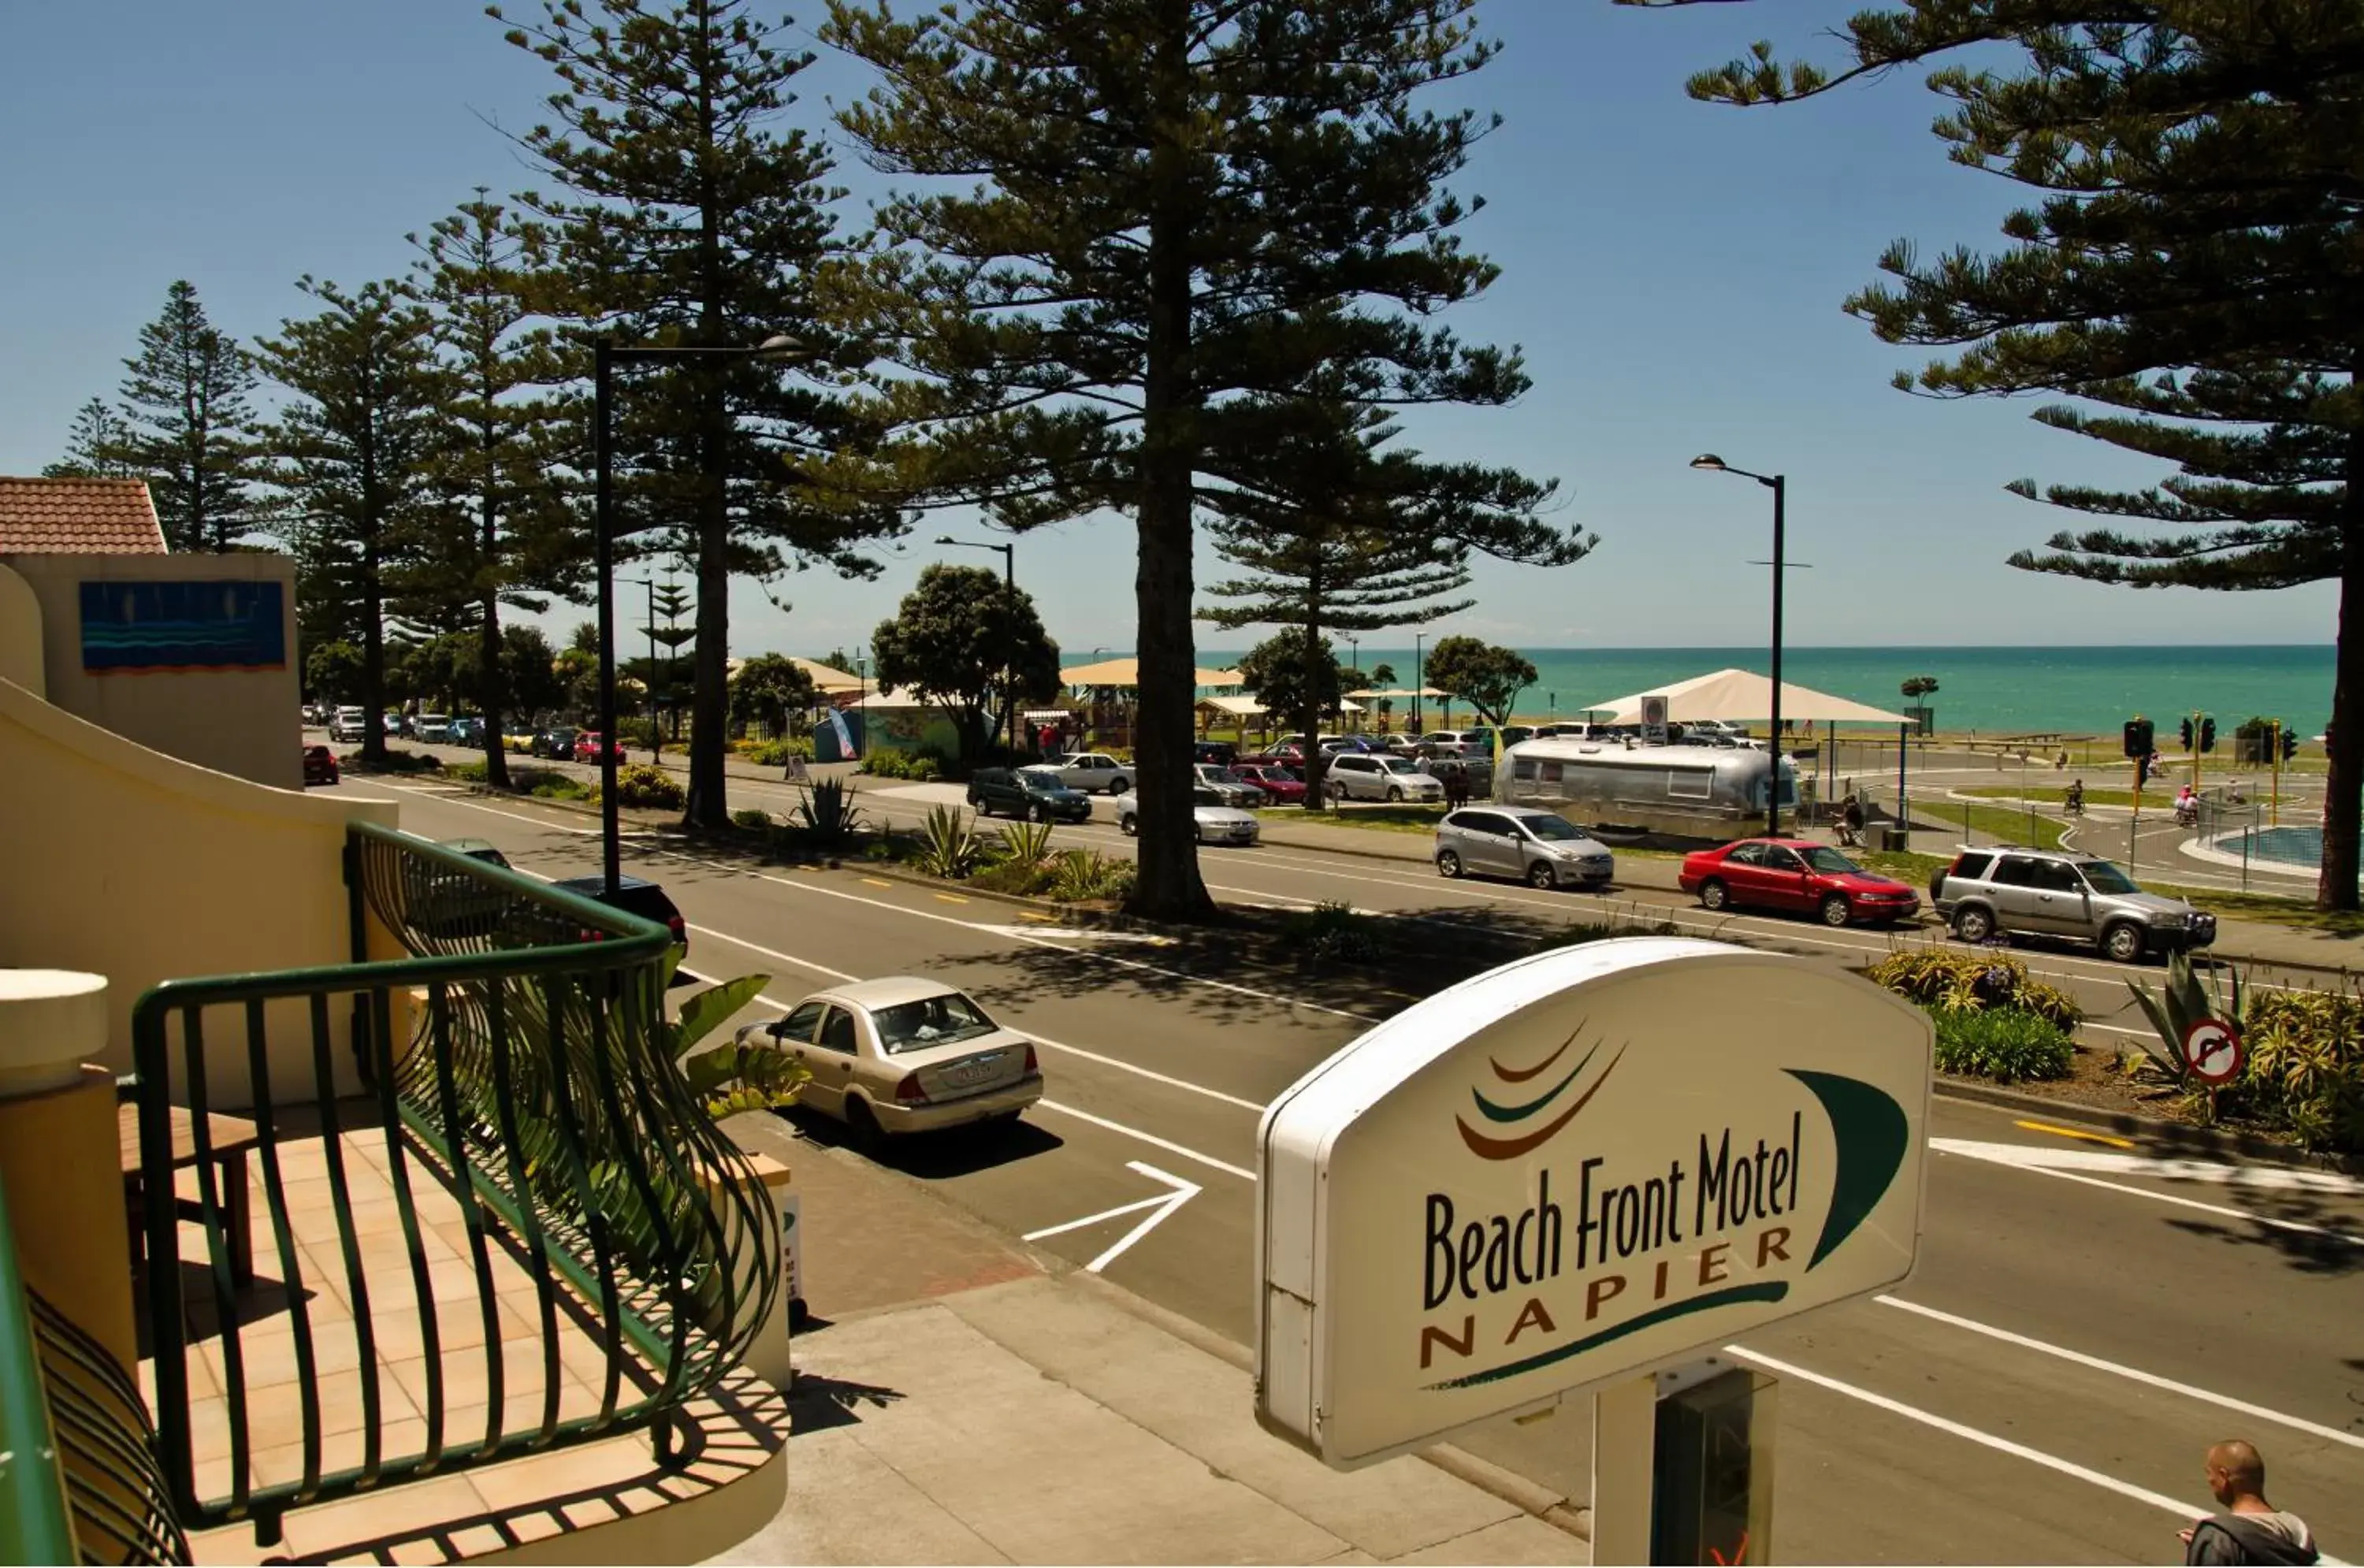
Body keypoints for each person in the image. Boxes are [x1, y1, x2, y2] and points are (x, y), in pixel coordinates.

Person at [2180, 1440, 2318, 1564]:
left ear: (2224, 1476)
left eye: (2209, 1473)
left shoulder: (2220, 1537)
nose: (2209, 1480)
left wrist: (2206, 1549)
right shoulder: (2296, 1528)